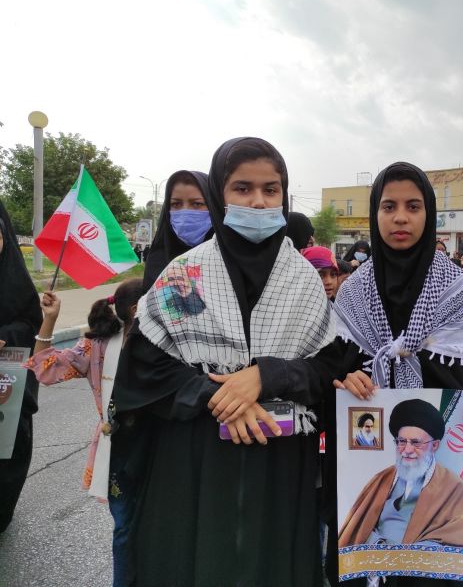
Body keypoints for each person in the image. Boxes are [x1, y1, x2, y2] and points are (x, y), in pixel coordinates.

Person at [112, 137, 337, 586]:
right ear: (220, 194)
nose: (258, 202)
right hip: (194, 459)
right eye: (242, 188)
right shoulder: (185, 275)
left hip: (278, 463)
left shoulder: (304, 282)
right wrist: (217, 396)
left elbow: (328, 368)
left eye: (270, 190)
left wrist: (266, 376)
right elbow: (144, 365)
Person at [328, 161, 463, 586]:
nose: (400, 218)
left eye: (413, 207)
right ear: (375, 214)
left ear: (429, 214)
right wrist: (346, 381)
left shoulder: (458, 290)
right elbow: (336, 368)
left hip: (449, 457)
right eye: (389, 207)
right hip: (366, 453)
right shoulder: (352, 293)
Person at [24, 279, 144, 586]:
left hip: (163, 447)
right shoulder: (100, 345)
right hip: (120, 449)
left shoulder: (166, 340)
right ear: (136, 309)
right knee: (125, 527)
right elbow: (46, 368)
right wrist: (50, 319)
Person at [339, 399, 463, 549]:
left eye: (416, 443)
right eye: (402, 441)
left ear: (435, 445)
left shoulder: (455, 488)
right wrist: (378, 543)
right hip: (375, 560)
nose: (407, 450)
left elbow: (461, 535)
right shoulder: (381, 479)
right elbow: (358, 529)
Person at [0, 200, 42, 534]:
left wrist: (7, 336)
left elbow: (31, 322)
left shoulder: (13, 277)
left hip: (7, 385)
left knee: (8, 448)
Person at [142, 170, 211, 290]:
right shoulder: (157, 260)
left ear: (213, 206)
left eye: (197, 204)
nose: (185, 212)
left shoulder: (229, 260)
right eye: (176, 204)